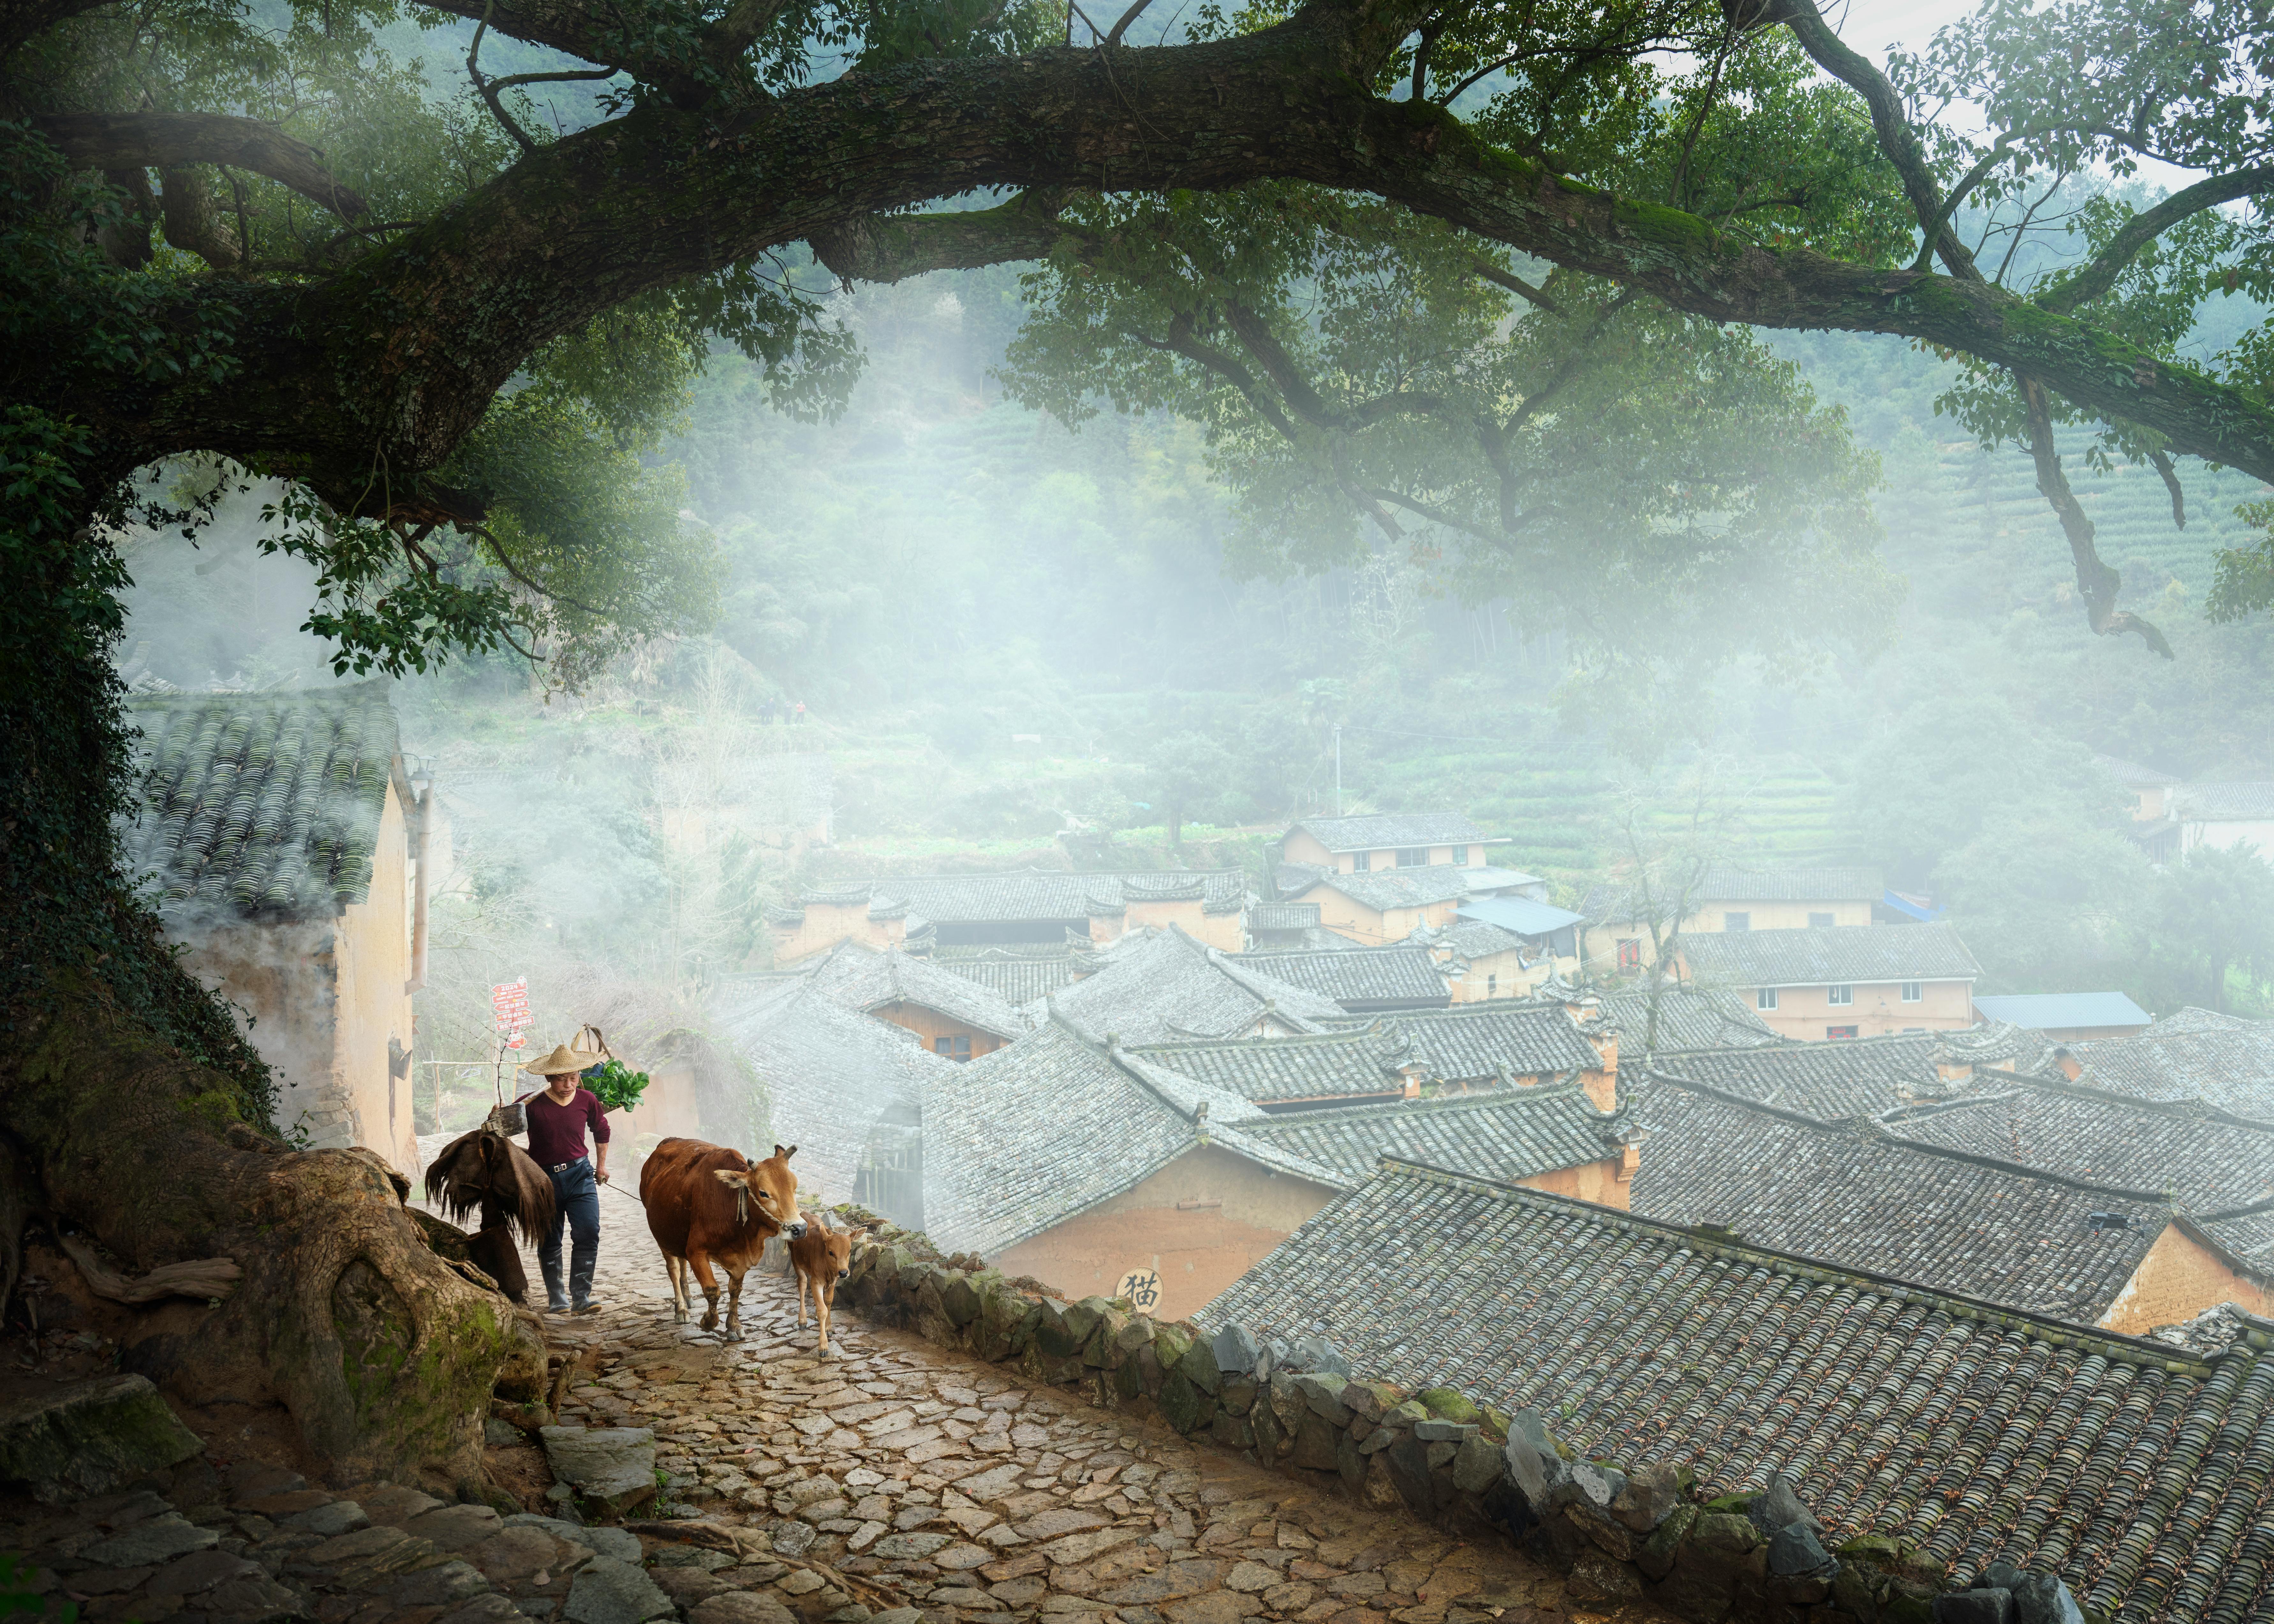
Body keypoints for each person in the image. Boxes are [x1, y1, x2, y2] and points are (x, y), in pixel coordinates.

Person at [522, 1041, 611, 1314]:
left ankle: (582, 1296)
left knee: (588, 1231)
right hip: (543, 1181)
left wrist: (601, 1166)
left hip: (580, 1174)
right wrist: (497, 1114)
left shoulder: (587, 1100)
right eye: (562, 1079)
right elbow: (501, 1127)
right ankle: (557, 1297)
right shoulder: (531, 1104)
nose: (569, 1084)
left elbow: (602, 1131)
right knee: (550, 1238)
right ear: (549, 1078)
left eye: (574, 1078)